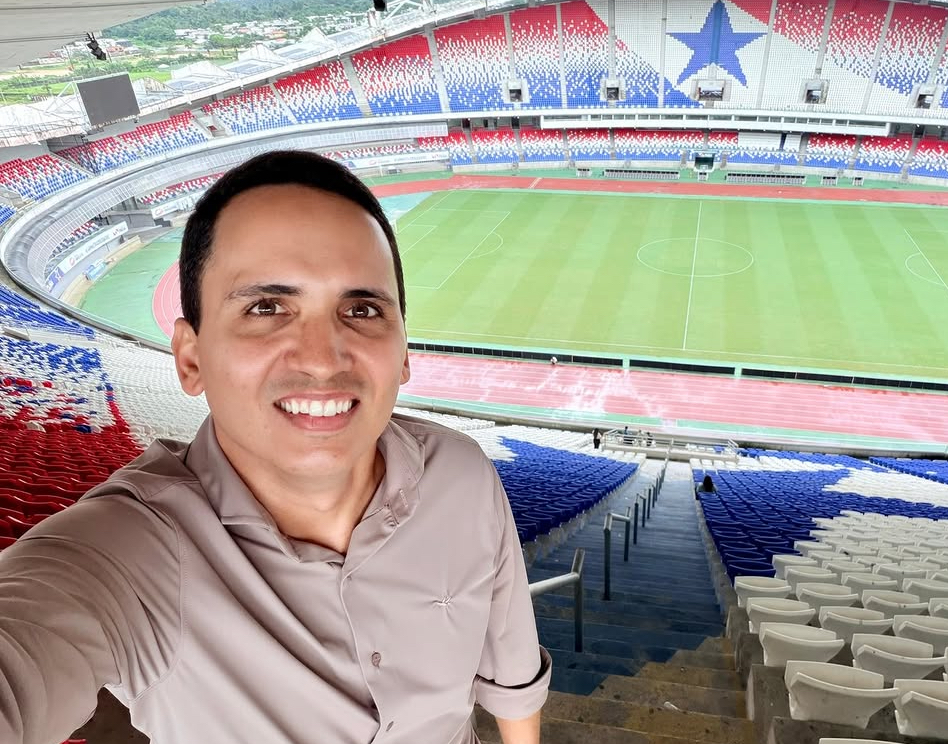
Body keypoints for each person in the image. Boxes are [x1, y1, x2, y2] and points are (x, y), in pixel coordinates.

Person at [0, 151, 550, 744]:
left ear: (404, 355)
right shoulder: (129, 552)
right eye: (266, 308)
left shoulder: (464, 475)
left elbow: (513, 671)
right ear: (190, 359)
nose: (322, 359)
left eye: (361, 309)